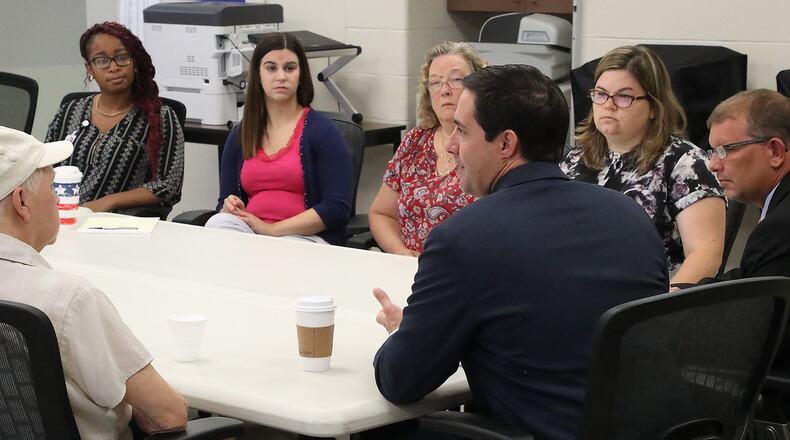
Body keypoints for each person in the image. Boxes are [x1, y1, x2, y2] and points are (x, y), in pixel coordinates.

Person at [372, 65, 668, 440]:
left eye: (462, 131)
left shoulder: (464, 238)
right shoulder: (631, 216)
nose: (450, 145)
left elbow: (401, 380)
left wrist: (407, 334)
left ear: (506, 144)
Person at [0, 126, 187, 439]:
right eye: (51, 187)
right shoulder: (68, 299)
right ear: (22, 202)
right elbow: (168, 417)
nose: (57, 199)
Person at [561, 45, 725, 287]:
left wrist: (661, 311)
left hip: (648, 304)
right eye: (601, 94)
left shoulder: (687, 163)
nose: (609, 105)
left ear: (653, 107)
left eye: (624, 96)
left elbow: (705, 254)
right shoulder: (574, 160)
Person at [205, 32, 353, 245]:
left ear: (301, 75)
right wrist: (230, 205)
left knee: (283, 253)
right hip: (252, 233)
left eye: (289, 68)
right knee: (217, 224)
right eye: (271, 68)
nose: (281, 76)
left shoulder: (325, 133)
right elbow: (224, 201)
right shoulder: (240, 136)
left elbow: (336, 208)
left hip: (305, 238)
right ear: (258, 74)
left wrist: (272, 230)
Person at [45, 21, 184, 212]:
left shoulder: (160, 117)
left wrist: (107, 202)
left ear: (134, 62)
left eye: (122, 57)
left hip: (119, 223)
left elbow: (169, 186)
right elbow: (44, 168)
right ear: (89, 69)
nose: (113, 67)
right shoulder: (69, 112)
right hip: (60, 218)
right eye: (102, 60)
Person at [368, 42, 485, 256]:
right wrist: (401, 252)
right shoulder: (415, 141)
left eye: (456, 80)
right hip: (409, 266)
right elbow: (381, 213)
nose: (445, 91)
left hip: (465, 270)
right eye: (435, 83)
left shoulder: (488, 144)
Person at [703, 89, 790, 280]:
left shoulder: (780, 229)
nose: (713, 165)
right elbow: (748, 277)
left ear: (775, 151)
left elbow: (757, 305)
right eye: (714, 152)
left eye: (726, 149)